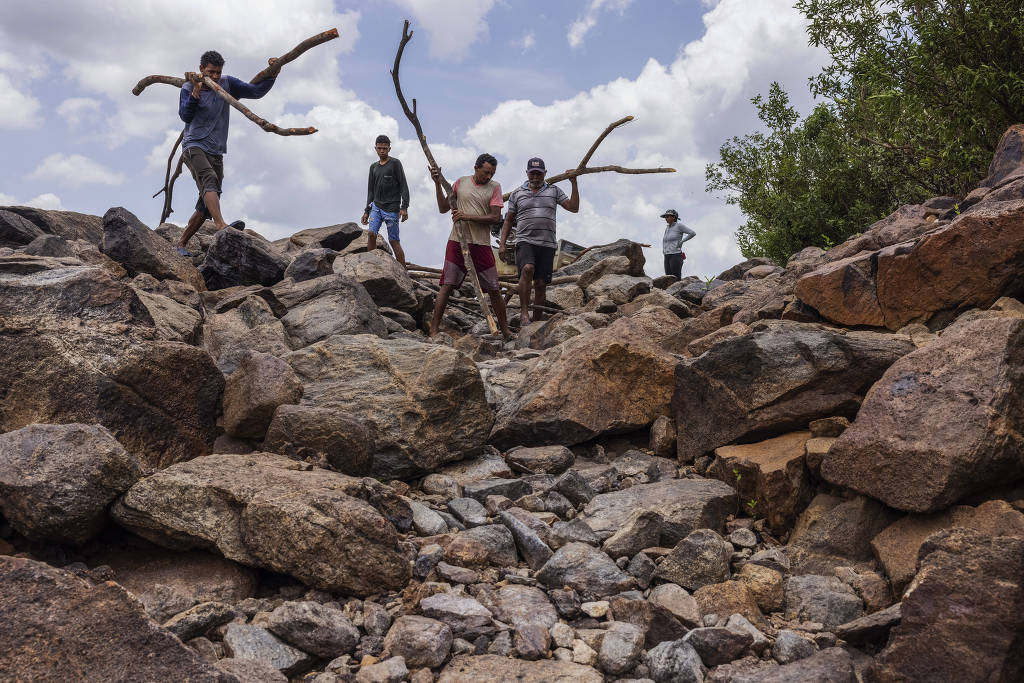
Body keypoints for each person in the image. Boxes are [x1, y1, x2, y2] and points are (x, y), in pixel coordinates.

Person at [174, 50, 277, 256]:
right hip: (194, 146)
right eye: (210, 72)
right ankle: (221, 226)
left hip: (216, 150)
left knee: (206, 204)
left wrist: (274, 73)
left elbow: (255, 92)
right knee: (209, 179)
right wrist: (196, 90)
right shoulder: (187, 87)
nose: (214, 77)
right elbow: (185, 115)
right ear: (201, 69)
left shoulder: (227, 84)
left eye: (217, 73)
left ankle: (181, 243)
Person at [429, 153, 512, 339]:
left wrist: (466, 216)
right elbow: (444, 208)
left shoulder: (495, 187)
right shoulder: (461, 182)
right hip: (457, 241)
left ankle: (506, 330)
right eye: (486, 172)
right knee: (447, 285)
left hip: (481, 244)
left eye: (492, 173)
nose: (488, 176)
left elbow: (495, 217)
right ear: (476, 168)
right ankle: (433, 330)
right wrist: (437, 183)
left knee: (494, 288)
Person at [498, 157, 579, 328]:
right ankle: (524, 313)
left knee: (541, 284)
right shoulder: (517, 193)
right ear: (527, 173)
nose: (535, 177)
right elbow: (508, 220)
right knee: (527, 269)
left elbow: (573, 207)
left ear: (545, 174)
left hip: (547, 243)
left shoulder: (554, 190)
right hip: (525, 240)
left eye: (539, 174)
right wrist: (503, 244)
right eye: (532, 173)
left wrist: (573, 182)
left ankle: (536, 322)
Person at [360, 134, 410, 266]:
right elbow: (371, 190)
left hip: (392, 208)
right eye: (379, 148)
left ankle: (403, 271)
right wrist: (366, 211)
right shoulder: (373, 167)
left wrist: (404, 207)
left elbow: (404, 186)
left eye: (385, 148)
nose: (382, 151)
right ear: (375, 148)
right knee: (371, 234)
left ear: (389, 149)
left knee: (394, 240)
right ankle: (371, 265)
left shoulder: (395, 164)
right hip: (376, 206)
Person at [661, 209, 695, 279]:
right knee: (668, 278)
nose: (666, 218)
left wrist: (682, 241)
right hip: (666, 255)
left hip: (676, 255)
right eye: (665, 217)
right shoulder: (667, 228)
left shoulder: (679, 226)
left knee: (676, 278)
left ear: (673, 217)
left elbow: (692, 233)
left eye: (668, 216)